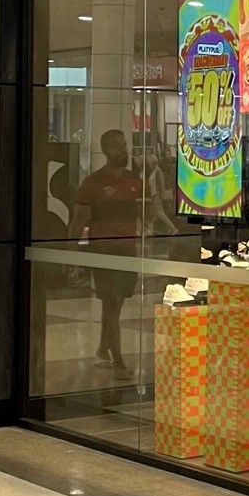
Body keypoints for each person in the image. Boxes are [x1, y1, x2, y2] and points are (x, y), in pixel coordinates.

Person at [69, 129, 143, 380]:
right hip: (102, 251)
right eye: (115, 145)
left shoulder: (135, 180)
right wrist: (70, 255)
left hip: (127, 250)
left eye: (123, 144)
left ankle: (103, 349)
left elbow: (148, 215)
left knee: (116, 304)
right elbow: (79, 220)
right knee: (111, 304)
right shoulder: (93, 182)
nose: (122, 149)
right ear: (105, 150)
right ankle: (118, 361)